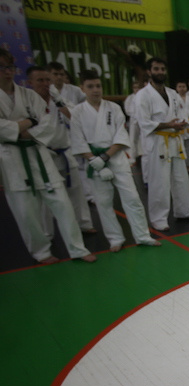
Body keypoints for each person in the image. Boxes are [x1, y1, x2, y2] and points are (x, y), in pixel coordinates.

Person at [0, 49, 95, 263]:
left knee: (62, 203)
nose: (7, 71)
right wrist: (27, 123)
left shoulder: (29, 96)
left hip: (39, 154)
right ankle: (41, 252)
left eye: (9, 67)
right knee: (26, 212)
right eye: (2, 67)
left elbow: (46, 125)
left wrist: (19, 129)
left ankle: (78, 249)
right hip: (11, 159)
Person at [71, 70, 161, 252]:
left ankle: (142, 235)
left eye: (98, 86)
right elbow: (78, 141)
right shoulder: (78, 112)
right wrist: (95, 160)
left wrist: (105, 157)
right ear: (82, 88)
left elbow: (121, 135)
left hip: (115, 157)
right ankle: (115, 238)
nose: (95, 90)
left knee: (132, 198)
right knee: (103, 202)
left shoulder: (113, 108)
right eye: (90, 86)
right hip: (94, 162)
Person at [26, 65, 96, 235]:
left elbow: (74, 117)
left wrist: (58, 102)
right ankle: (47, 232)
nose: (45, 83)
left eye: (47, 80)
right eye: (40, 80)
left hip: (64, 151)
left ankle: (84, 224)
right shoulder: (27, 101)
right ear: (30, 82)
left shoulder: (59, 99)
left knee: (76, 191)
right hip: (43, 153)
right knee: (47, 194)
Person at [135, 57, 189, 231]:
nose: (160, 72)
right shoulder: (143, 95)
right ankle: (158, 218)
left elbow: (182, 113)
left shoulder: (172, 93)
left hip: (175, 140)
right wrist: (168, 125)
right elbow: (144, 122)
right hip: (158, 142)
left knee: (181, 178)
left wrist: (182, 123)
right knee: (159, 182)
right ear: (149, 71)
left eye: (162, 69)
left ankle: (183, 210)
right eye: (156, 69)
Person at [175, 80, 189, 174]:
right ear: (176, 88)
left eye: (183, 86)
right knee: (178, 148)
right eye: (179, 86)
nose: (182, 88)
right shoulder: (174, 99)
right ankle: (179, 168)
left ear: (186, 87)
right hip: (178, 125)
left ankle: (188, 166)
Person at [124, 80, 145, 173]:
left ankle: (143, 154)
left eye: (138, 87)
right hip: (133, 120)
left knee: (144, 138)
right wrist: (135, 115)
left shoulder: (144, 97)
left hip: (143, 120)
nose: (136, 89)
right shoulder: (130, 98)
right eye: (135, 88)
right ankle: (132, 157)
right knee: (133, 139)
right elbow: (127, 110)